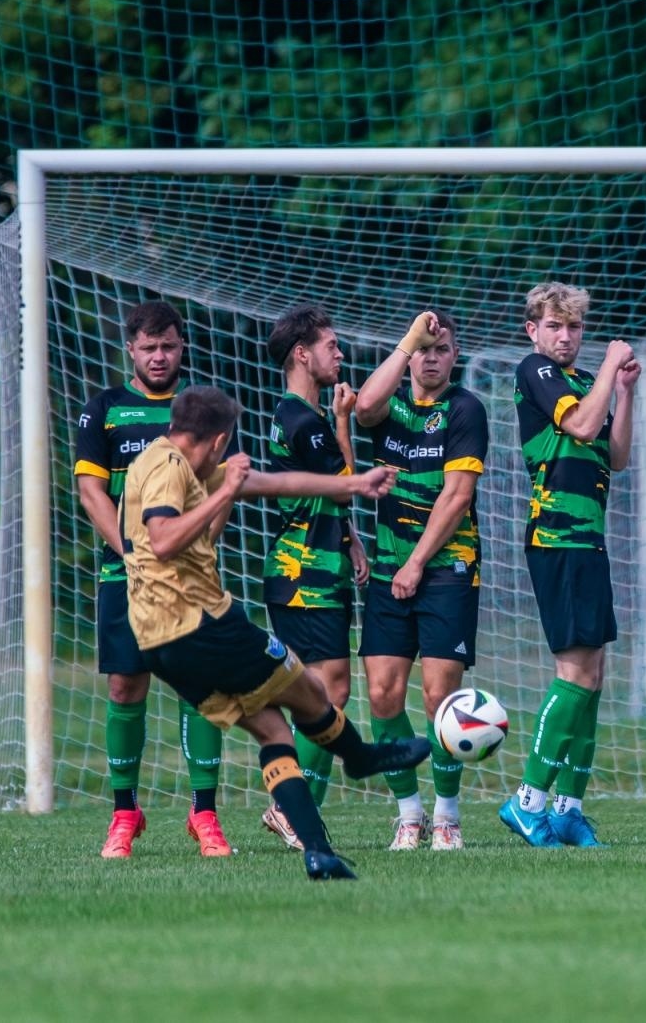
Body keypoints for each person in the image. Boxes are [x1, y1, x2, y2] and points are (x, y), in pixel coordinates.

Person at [120, 384, 429, 880]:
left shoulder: (174, 461)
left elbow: (276, 484)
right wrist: (225, 492)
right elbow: (162, 540)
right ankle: (359, 757)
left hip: (159, 642)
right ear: (219, 440)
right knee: (309, 689)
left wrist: (355, 484)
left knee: (272, 730)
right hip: (200, 625)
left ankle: (317, 852)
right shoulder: (168, 467)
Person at [73, 299, 231, 859]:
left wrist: (195, 548)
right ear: (131, 350)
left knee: (200, 685)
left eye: (168, 346)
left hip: (191, 579)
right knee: (125, 687)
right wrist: (133, 552)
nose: (159, 356)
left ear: (182, 346)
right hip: (125, 574)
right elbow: (91, 492)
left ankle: (204, 814)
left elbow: (220, 492)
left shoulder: (204, 410)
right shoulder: (104, 410)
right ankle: (125, 813)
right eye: (148, 348)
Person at [498, 281, 639, 848]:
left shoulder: (584, 383)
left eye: (574, 327)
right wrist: (609, 365)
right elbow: (579, 426)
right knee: (574, 674)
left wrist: (624, 390)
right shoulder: (535, 370)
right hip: (557, 537)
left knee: (594, 677)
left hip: (588, 540)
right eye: (554, 326)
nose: (565, 336)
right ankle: (527, 801)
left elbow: (616, 455)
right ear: (533, 330)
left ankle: (567, 810)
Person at [354, 310, 488, 851]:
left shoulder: (466, 408)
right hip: (389, 569)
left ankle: (447, 815)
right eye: (423, 350)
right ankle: (409, 815)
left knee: (440, 698)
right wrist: (409, 340)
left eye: (442, 349)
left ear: (455, 356)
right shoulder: (392, 407)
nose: (431, 359)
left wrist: (416, 564)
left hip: (447, 570)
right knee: (382, 694)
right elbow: (363, 407)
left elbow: (457, 497)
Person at [257, 304, 370, 850]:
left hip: (316, 568)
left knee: (323, 694)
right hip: (303, 574)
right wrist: (345, 420)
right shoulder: (305, 420)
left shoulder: (298, 415)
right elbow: (345, 485)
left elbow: (324, 499)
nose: (340, 355)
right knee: (327, 694)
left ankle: (297, 814)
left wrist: (350, 540)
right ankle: (290, 810)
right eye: (331, 346)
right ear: (302, 354)